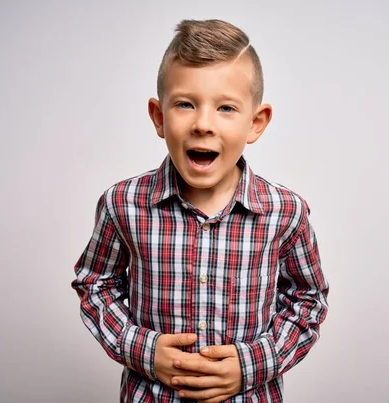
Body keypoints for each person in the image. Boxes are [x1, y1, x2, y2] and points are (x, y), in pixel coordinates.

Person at [72, 19, 329, 403]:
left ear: (255, 123)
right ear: (159, 117)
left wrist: (252, 364)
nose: (203, 124)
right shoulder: (122, 204)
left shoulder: (285, 213)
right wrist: (141, 349)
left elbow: (308, 300)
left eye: (226, 108)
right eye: (185, 104)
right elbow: (95, 285)